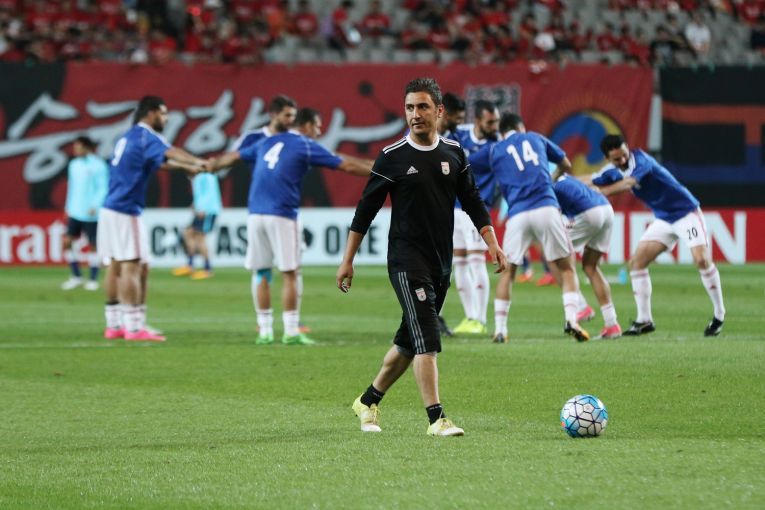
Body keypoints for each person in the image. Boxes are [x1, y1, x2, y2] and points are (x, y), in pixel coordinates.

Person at [337, 78, 507, 436]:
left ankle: (367, 401)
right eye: (410, 107)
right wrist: (347, 260)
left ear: (439, 111)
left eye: (423, 107)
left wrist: (491, 242)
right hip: (405, 261)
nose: (415, 114)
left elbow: (473, 200)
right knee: (427, 339)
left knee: (407, 342)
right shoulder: (392, 156)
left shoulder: (454, 153)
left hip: (440, 263)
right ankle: (436, 419)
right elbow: (365, 210)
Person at [208, 107, 373, 345]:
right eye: (317, 127)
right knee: (290, 273)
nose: (318, 132)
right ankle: (291, 331)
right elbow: (346, 165)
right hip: (282, 214)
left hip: (255, 214)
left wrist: (208, 166)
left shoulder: (267, 141)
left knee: (261, 272)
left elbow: (233, 157)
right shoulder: (304, 144)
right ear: (306, 126)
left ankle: (264, 331)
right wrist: (385, 171)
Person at [469, 113, 590, 343]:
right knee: (567, 268)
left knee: (508, 272)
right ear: (520, 127)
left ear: (502, 132)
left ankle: (500, 330)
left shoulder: (494, 150)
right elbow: (566, 164)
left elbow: (466, 163)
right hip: (546, 206)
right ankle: (572, 320)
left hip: (517, 214)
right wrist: (551, 180)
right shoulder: (535, 138)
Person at [590, 134, 725, 337]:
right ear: (608, 159)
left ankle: (719, 315)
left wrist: (601, 192)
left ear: (628, 148)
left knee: (701, 260)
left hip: (686, 213)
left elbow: (628, 183)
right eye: (617, 159)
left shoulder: (641, 160)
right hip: (664, 219)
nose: (623, 160)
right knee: (637, 263)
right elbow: (591, 179)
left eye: (624, 154)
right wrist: (566, 181)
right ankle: (644, 320)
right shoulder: (612, 171)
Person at [98, 95, 209, 342]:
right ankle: (134, 327)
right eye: (163, 113)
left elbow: (160, 162)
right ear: (150, 113)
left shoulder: (127, 137)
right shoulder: (146, 135)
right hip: (126, 210)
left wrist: (185, 168)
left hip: (110, 208)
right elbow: (171, 152)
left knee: (116, 264)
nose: (166, 118)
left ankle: (114, 325)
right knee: (133, 265)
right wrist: (198, 161)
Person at [550, 168, 622, 339]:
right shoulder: (567, 179)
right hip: (606, 209)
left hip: (588, 213)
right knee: (590, 266)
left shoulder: (546, 185)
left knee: (554, 256)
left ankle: (581, 307)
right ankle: (612, 324)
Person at [450, 100, 500, 335]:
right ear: (478, 120)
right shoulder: (459, 133)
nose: (494, 126)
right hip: (453, 207)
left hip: (476, 210)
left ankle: (480, 319)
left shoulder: (496, 145)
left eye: (496, 121)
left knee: (476, 261)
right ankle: (469, 317)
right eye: (490, 122)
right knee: (459, 262)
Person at [61, 135, 109, 291]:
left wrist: (96, 204)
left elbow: (103, 187)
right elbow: (72, 188)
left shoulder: (98, 165)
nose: (75, 150)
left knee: (93, 245)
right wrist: (68, 207)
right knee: (67, 242)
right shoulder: (74, 165)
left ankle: (93, 279)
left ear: (87, 148)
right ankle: (76, 276)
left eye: (78, 147)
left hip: (91, 213)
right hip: (75, 210)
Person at [172, 171, 222, 280]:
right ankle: (190, 265)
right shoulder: (198, 176)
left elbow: (210, 192)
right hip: (202, 208)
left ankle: (207, 269)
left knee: (200, 237)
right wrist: (195, 203)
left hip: (208, 210)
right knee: (188, 233)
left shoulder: (206, 174)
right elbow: (202, 192)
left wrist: (203, 207)